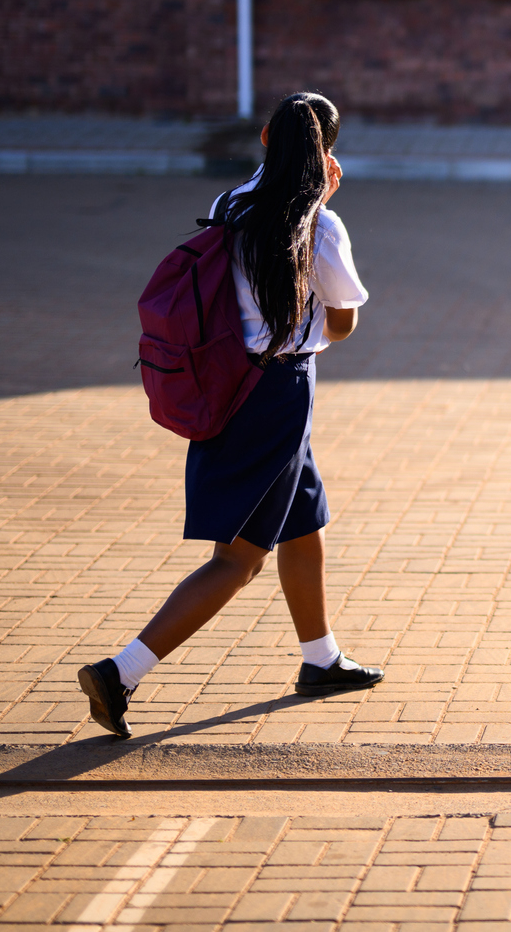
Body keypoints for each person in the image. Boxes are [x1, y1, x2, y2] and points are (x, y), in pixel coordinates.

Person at [78, 91, 380, 739]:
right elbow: (344, 324)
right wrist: (322, 212)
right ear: (328, 155)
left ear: (267, 142)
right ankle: (120, 671)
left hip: (230, 380)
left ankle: (320, 659)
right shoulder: (321, 228)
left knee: (303, 520)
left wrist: (314, 203)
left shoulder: (230, 206)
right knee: (237, 561)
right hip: (277, 395)